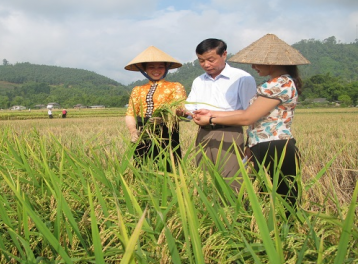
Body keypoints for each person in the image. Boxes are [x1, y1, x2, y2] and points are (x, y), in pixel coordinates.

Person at [192, 33, 310, 213]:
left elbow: (248, 118)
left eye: (256, 63)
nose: (253, 67)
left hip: (275, 145)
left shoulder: (280, 84)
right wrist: (211, 112)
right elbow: (249, 113)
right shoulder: (274, 83)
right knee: (266, 199)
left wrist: (211, 119)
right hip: (262, 144)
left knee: (284, 201)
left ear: (271, 62)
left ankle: (290, 234)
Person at [185, 38, 257, 191]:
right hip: (203, 134)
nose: (206, 65)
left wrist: (251, 144)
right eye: (201, 61)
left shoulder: (242, 78)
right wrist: (182, 112)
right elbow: (190, 109)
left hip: (229, 133)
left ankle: (234, 213)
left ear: (224, 55)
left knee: (231, 182)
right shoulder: (199, 81)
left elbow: (251, 114)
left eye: (210, 60)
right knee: (204, 180)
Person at [124, 46, 187, 171]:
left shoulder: (175, 87)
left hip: (167, 130)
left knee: (169, 166)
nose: (156, 70)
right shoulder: (137, 90)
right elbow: (130, 113)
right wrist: (133, 131)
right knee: (142, 167)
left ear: (166, 68)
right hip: (143, 131)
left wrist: (165, 118)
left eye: (160, 67)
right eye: (151, 67)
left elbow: (180, 111)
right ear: (145, 69)